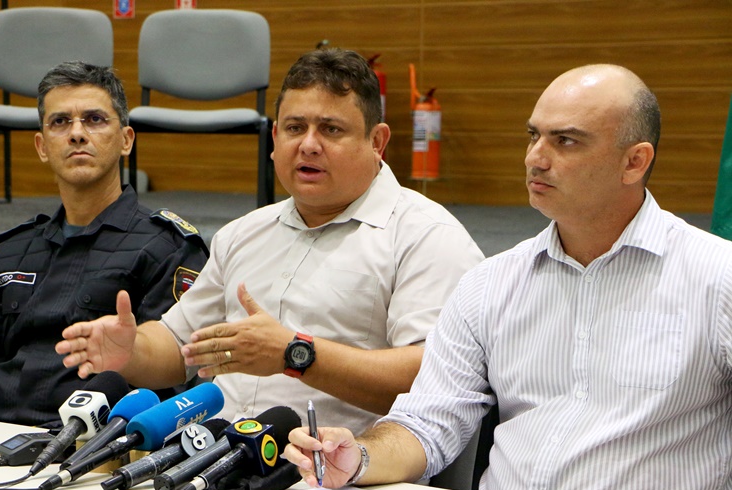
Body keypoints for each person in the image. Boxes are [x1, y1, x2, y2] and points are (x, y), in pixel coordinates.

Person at [285, 64, 732, 490]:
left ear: (634, 162)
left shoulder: (716, 278)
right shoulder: (490, 283)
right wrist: (358, 457)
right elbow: (427, 423)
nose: (536, 158)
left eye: (566, 141)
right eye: (533, 136)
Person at [56, 48, 483, 433]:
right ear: (275, 139)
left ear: (378, 142)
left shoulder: (426, 235)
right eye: (295, 128)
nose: (309, 145)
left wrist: (296, 355)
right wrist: (130, 351)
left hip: (341, 484)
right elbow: (177, 349)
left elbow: (433, 379)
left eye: (331, 130)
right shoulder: (243, 234)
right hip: (214, 466)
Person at [0, 62, 209, 427]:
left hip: (98, 458)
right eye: (60, 122)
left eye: (94, 120)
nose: (77, 134)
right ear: (42, 146)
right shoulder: (8, 251)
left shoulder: (168, 248)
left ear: (126, 140)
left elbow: (172, 383)